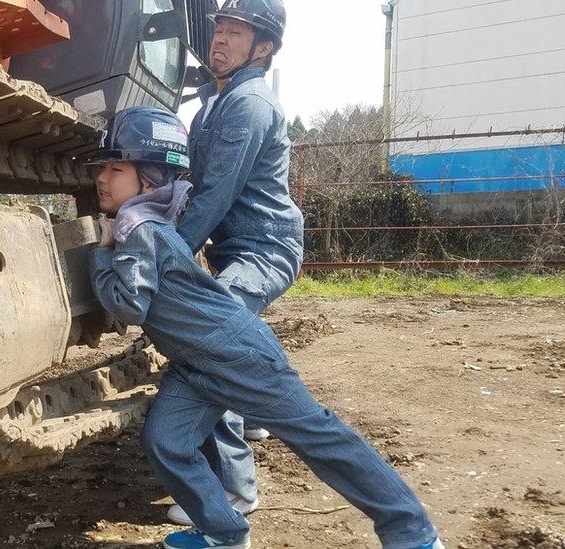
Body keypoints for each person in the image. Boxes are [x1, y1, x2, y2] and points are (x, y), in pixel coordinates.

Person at [89, 106, 442, 549]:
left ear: (150, 181)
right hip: (198, 361)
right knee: (167, 440)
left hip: (237, 354)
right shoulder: (148, 221)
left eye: (115, 168)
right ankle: (224, 533)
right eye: (101, 167)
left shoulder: (136, 227)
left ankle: (413, 531)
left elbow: (130, 306)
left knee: (317, 435)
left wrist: (100, 254)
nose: (102, 177)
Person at [167, 0, 304, 527]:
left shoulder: (248, 104)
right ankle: (248, 418)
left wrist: (165, 256)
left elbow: (212, 199)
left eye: (235, 34)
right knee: (233, 329)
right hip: (236, 248)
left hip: (263, 249)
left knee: (214, 338)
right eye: (218, 30)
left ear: (263, 49)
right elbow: (191, 184)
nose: (218, 40)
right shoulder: (210, 105)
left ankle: (232, 492)